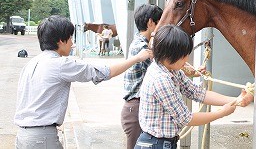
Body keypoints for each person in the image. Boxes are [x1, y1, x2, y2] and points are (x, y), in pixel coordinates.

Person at [14, 15, 153, 149]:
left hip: (22, 136)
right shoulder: (60, 64)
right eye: (70, 38)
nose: (72, 43)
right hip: (42, 138)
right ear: (61, 41)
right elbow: (104, 72)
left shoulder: (31, 63)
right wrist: (136, 58)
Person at [134, 25, 253, 149]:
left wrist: (237, 100)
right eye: (184, 55)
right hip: (155, 144)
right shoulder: (161, 80)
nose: (187, 59)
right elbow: (186, 119)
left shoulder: (171, 70)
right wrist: (221, 113)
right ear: (170, 55)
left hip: (162, 143)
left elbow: (197, 92)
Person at [121, 4, 163, 149]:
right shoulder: (142, 47)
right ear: (151, 22)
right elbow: (162, 67)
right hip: (135, 109)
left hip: (136, 108)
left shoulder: (142, 43)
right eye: (161, 22)